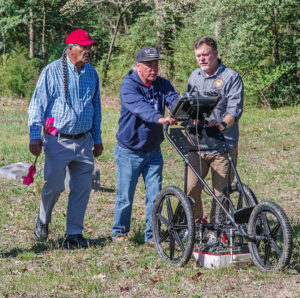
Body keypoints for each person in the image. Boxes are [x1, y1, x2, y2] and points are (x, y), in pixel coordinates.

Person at [28, 29, 103, 249]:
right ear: (70, 48)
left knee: (81, 188)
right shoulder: (51, 71)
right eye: (84, 47)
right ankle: (43, 218)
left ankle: (73, 234)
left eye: (90, 47)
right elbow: (37, 105)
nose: (88, 51)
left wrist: (97, 138)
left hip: (84, 141)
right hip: (57, 140)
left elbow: (96, 108)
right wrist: (35, 137)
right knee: (54, 185)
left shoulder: (92, 73)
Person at [111, 46, 178, 246]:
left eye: (156, 64)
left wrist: (182, 109)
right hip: (129, 151)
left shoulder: (163, 84)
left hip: (153, 151)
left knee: (155, 195)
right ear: (138, 66)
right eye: (149, 65)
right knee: (125, 196)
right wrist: (160, 118)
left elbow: (173, 99)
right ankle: (119, 232)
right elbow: (140, 107)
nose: (153, 68)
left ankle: (152, 235)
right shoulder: (128, 86)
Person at [187, 36, 243, 225]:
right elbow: (189, 105)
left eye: (205, 54)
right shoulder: (194, 76)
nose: (202, 59)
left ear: (216, 54)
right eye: (198, 56)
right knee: (191, 188)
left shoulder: (230, 77)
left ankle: (215, 231)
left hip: (222, 144)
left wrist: (222, 124)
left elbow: (234, 110)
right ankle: (196, 224)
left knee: (221, 195)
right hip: (199, 144)